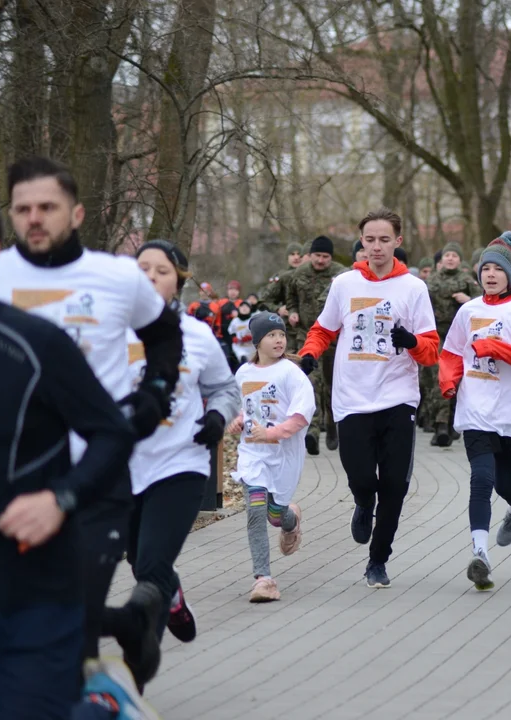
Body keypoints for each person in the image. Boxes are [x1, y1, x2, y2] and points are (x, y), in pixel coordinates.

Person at [0, 181, 153, 719]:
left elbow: (112, 432)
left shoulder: (33, 344)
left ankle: (100, 708)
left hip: (30, 593)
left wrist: (59, 497)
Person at [0, 156, 183, 686]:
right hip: (15, 473)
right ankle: (133, 619)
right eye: (23, 208)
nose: (34, 218)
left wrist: (155, 395)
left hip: (98, 470)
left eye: (47, 207)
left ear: (74, 214)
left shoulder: (117, 276)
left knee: (63, 633)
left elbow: (164, 335)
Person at [299, 208, 439, 588]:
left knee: (395, 484)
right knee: (362, 478)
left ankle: (378, 560)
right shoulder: (344, 284)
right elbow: (323, 330)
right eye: (370, 240)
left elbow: (431, 351)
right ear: (361, 242)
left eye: (384, 239)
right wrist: (309, 355)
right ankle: (363, 502)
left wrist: (411, 342)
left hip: (398, 398)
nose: (376, 247)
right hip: (352, 399)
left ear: (398, 241)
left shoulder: (413, 288)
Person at [122, 239, 240, 648]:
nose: (151, 277)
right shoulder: (110, 328)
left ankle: (136, 667)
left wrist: (216, 417)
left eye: (162, 271)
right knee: (139, 562)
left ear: (179, 281)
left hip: (180, 463)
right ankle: (172, 597)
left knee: (153, 564)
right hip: (122, 464)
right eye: (142, 269)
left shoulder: (196, 335)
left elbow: (225, 387)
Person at [439, 239, 511, 589]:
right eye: (485, 268)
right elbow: (452, 352)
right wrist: (449, 382)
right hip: (476, 409)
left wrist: (497, 348)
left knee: (504, 483)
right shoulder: (468, 311)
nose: (490, 274)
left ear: (510, 275)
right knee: (481, 480)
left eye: (498, 269)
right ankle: (480, 554)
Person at [227, 313, 315, 601]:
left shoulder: (291, 373)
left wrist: (273, 434)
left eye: (281, 335)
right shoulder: (243, 374)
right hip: (253, 454)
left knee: (275, 515)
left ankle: (290, 520)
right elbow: (243, 408)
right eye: (271, 335)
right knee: (254, 509)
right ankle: (264, 580)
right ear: (257, 342)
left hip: (284, 455)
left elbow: (302, 415)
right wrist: (237, 421)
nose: (279, 340)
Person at [287, 235, 347, 455]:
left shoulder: (342, 275)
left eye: (325, 257)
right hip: (306, 336)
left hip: (333, 340)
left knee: (332, 387)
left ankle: (332, 425)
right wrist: (292, 311)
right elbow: (290, 297)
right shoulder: (299, 273)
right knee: (311, 383)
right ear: (309, 255)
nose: (321, 261)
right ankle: (312, 431)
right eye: (317, 256)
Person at [425, 241, 480, 446]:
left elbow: (483, 304)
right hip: (437, 336)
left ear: (459, 260)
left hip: (460, 337)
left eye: (454, 256)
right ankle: (439, 425)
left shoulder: (467, 280)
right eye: (447, 255)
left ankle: (451, 422)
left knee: (457, 380)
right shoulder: (431, 280)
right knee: (439, 377)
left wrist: (467, 299)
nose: (450, 258)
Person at [258, 242, 307, 351]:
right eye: (292, 254)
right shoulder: (282, 277)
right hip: (289, 331)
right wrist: (278, 309)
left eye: (299, 254)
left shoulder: (311, 275)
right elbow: (263, 301)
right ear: (287, 257)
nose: (296, 257)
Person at [227, 300, 255, 366]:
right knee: (243, 359)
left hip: (251, 346)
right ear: (239, 309)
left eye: (246, 307)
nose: (244, 308)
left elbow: (258, 331)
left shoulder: (253, 320)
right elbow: (231, 331)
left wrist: (251, 337)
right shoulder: (235, 321)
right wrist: (234, 338)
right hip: (239, 346)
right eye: (242, 306)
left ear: (250, 309)